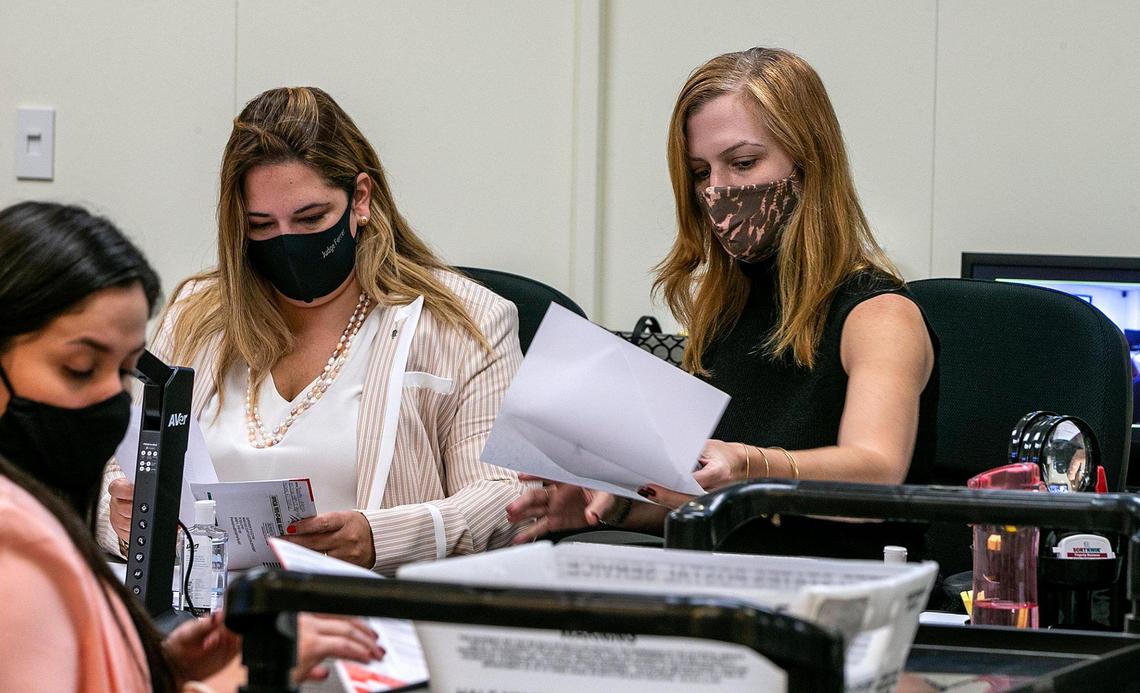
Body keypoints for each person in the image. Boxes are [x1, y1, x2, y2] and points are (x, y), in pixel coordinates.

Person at [508, 47, 938, 560]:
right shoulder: (725, 313)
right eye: (700, 172)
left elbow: (876, 476)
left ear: (810, 161)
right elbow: (709, 499)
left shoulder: (879, 314)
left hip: (841, 588)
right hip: (725, 582)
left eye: (743, 163)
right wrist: (614, 504)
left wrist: (747, 465)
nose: (718, 190)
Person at [100, 86, 526, 574]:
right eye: (262, 225)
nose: (288, 242)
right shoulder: (196, 317)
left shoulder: (464, 321)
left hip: (369, 603)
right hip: (204, 605)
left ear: (360, 198)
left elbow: (505, 496)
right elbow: (110, 472)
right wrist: (122, 520)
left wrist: (380, 538)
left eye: (310, 218)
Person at [0, 202, 383, 691]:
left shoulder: (32, 518)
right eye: (79, 369)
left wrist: (158, 668)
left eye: (125, 372)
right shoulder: (16, 544)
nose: (110, 400)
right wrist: (232, 681)